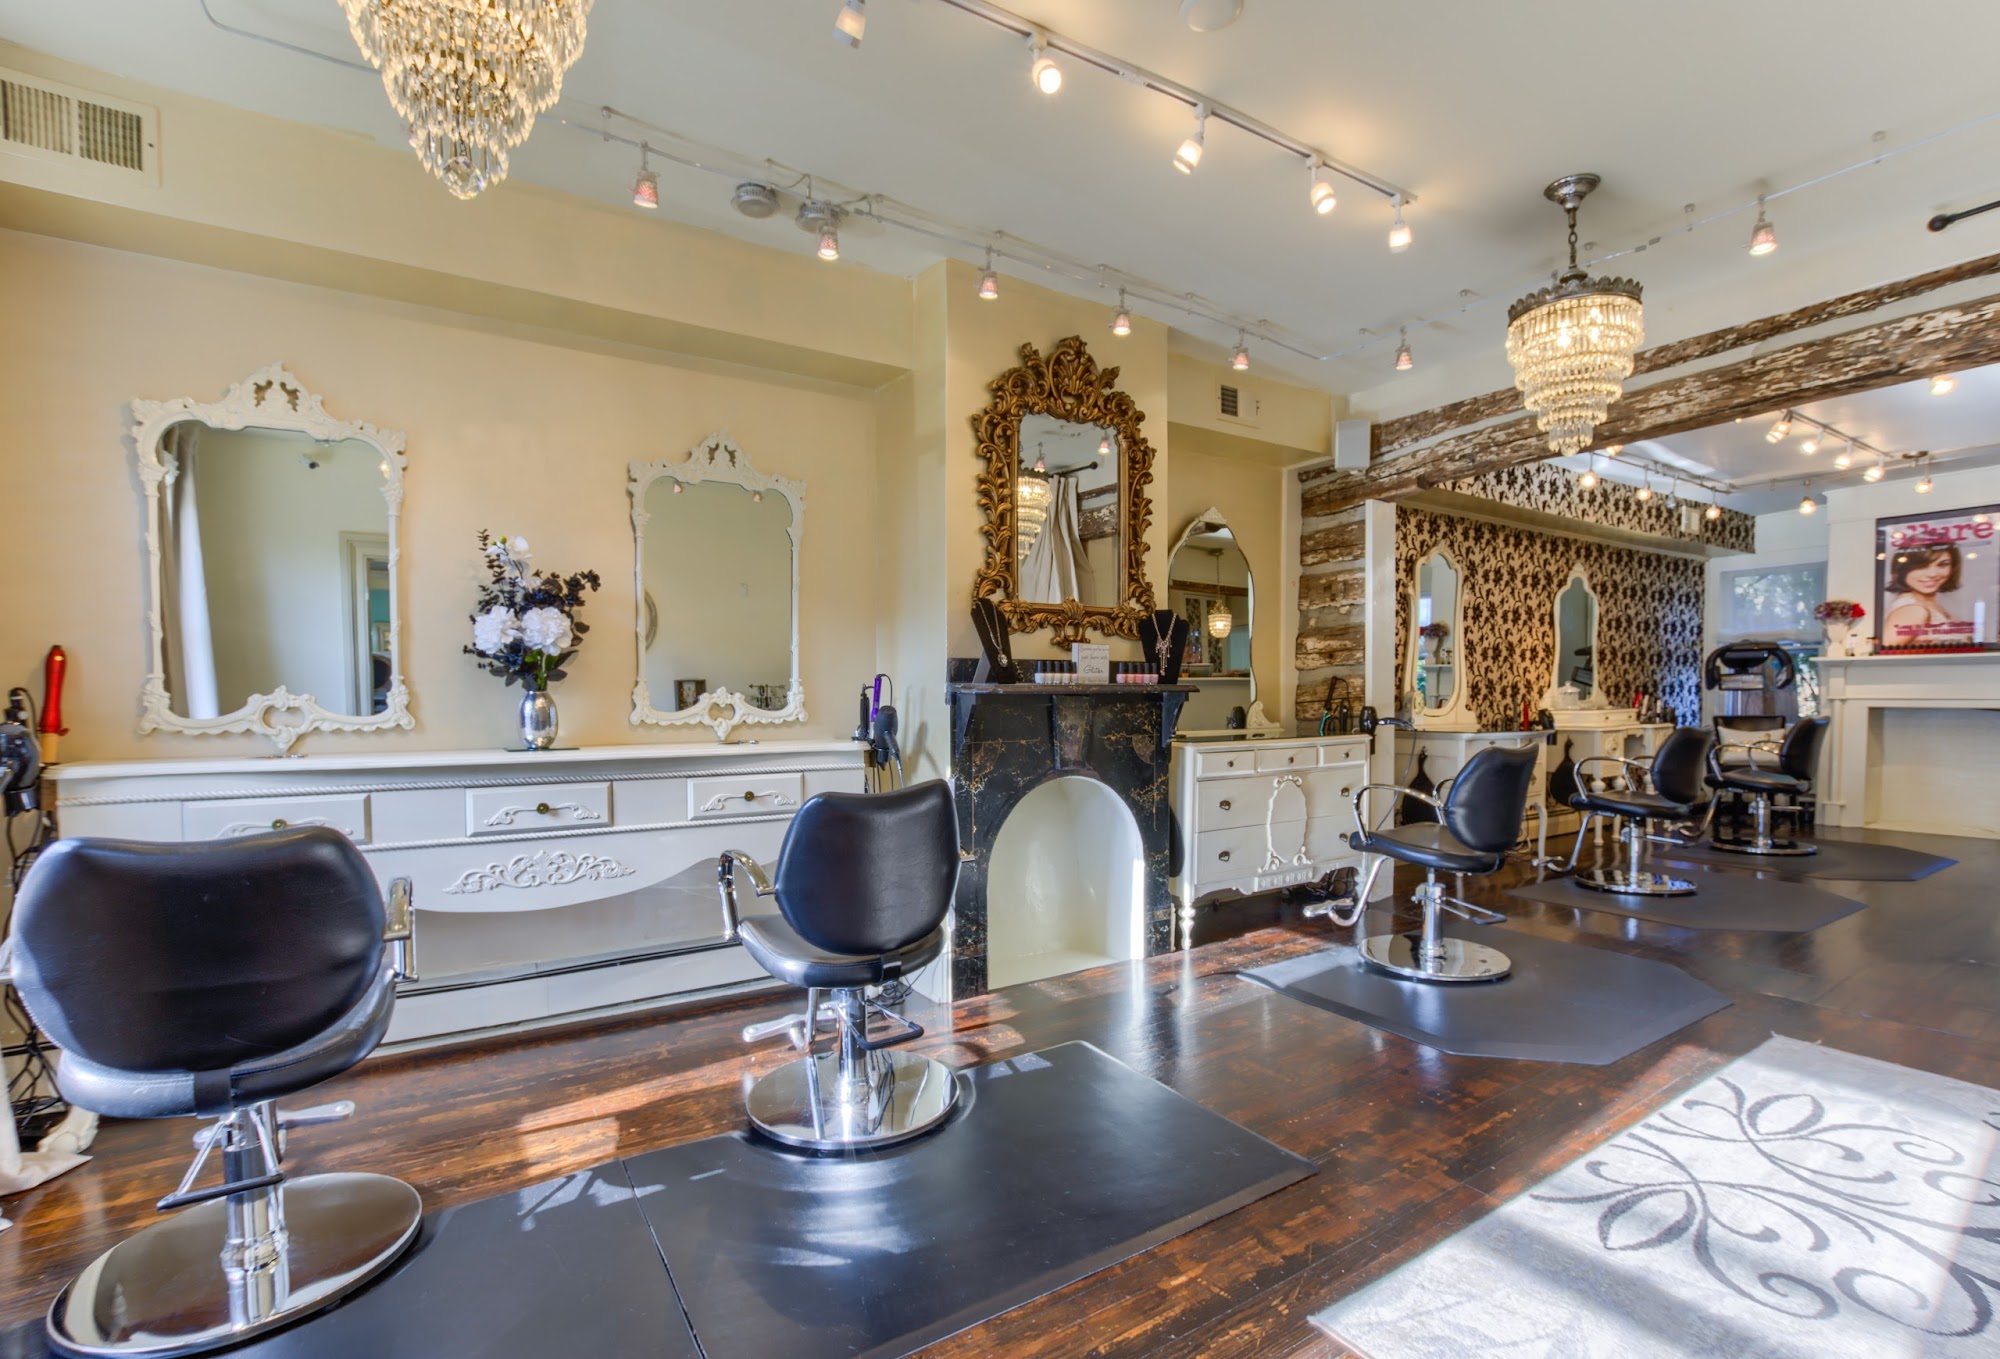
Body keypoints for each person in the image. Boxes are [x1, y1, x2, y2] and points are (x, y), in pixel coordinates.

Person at [1883, 545, 1963, 645]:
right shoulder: (1913, 609)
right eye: (1921, 566)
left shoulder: (1928, 604)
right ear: (1902, 569)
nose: (1932, 574)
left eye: (1942, 564)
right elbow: (1887, 651)